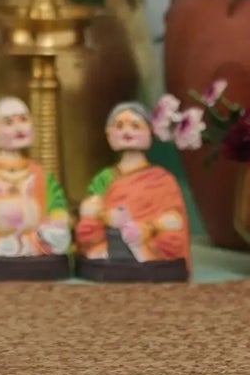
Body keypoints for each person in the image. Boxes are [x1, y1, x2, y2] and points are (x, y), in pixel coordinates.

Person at [0, 95, 72, 278]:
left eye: (24, 120)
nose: (19, 128)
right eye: (9, 122)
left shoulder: (41, 175)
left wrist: (57, 217)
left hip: (35, 242)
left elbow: (56, 204)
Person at [74, 102, 190, 280]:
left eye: (135, 126)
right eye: (119, 126)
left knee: (171, 237)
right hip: (111, 235)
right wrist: (106, 216)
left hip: (148, 238)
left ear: (150, 132)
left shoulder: (162, 179)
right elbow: (89, 208)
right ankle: (112, 252)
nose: (127, 132)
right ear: (109, 134)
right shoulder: (105, 177)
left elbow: (175, 218)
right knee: (86, 228)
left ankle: (142, 253)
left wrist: (149, 228)